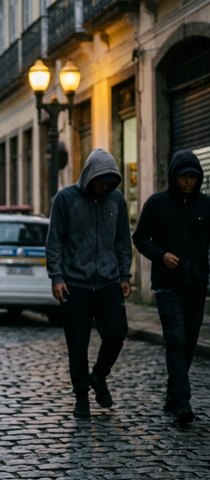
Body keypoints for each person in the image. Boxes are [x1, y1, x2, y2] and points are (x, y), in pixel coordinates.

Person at [46, 148, 132, 419]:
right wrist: (57, 277)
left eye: (110, 182)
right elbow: (54, 240)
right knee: (78, 343)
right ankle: (81, 396)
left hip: (108, 282)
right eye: (101, 181)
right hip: (75, 284)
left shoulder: (116, 200)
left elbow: (122, 240)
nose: (105, 186)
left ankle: (99, 376)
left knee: (117, 333)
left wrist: (124, 275)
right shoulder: (65, 199)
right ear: (89, 176)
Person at [132, 150, 210, 425]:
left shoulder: (206, 206)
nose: (188, 182)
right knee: (175, 339)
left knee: (187, 343)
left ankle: (173, 395)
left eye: (192, 177)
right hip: (167, 285)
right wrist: (161, 255)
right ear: (174, 177)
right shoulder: (157, 204)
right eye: (183, 177)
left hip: (197, 286)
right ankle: (183, 402)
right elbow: (140, 237)